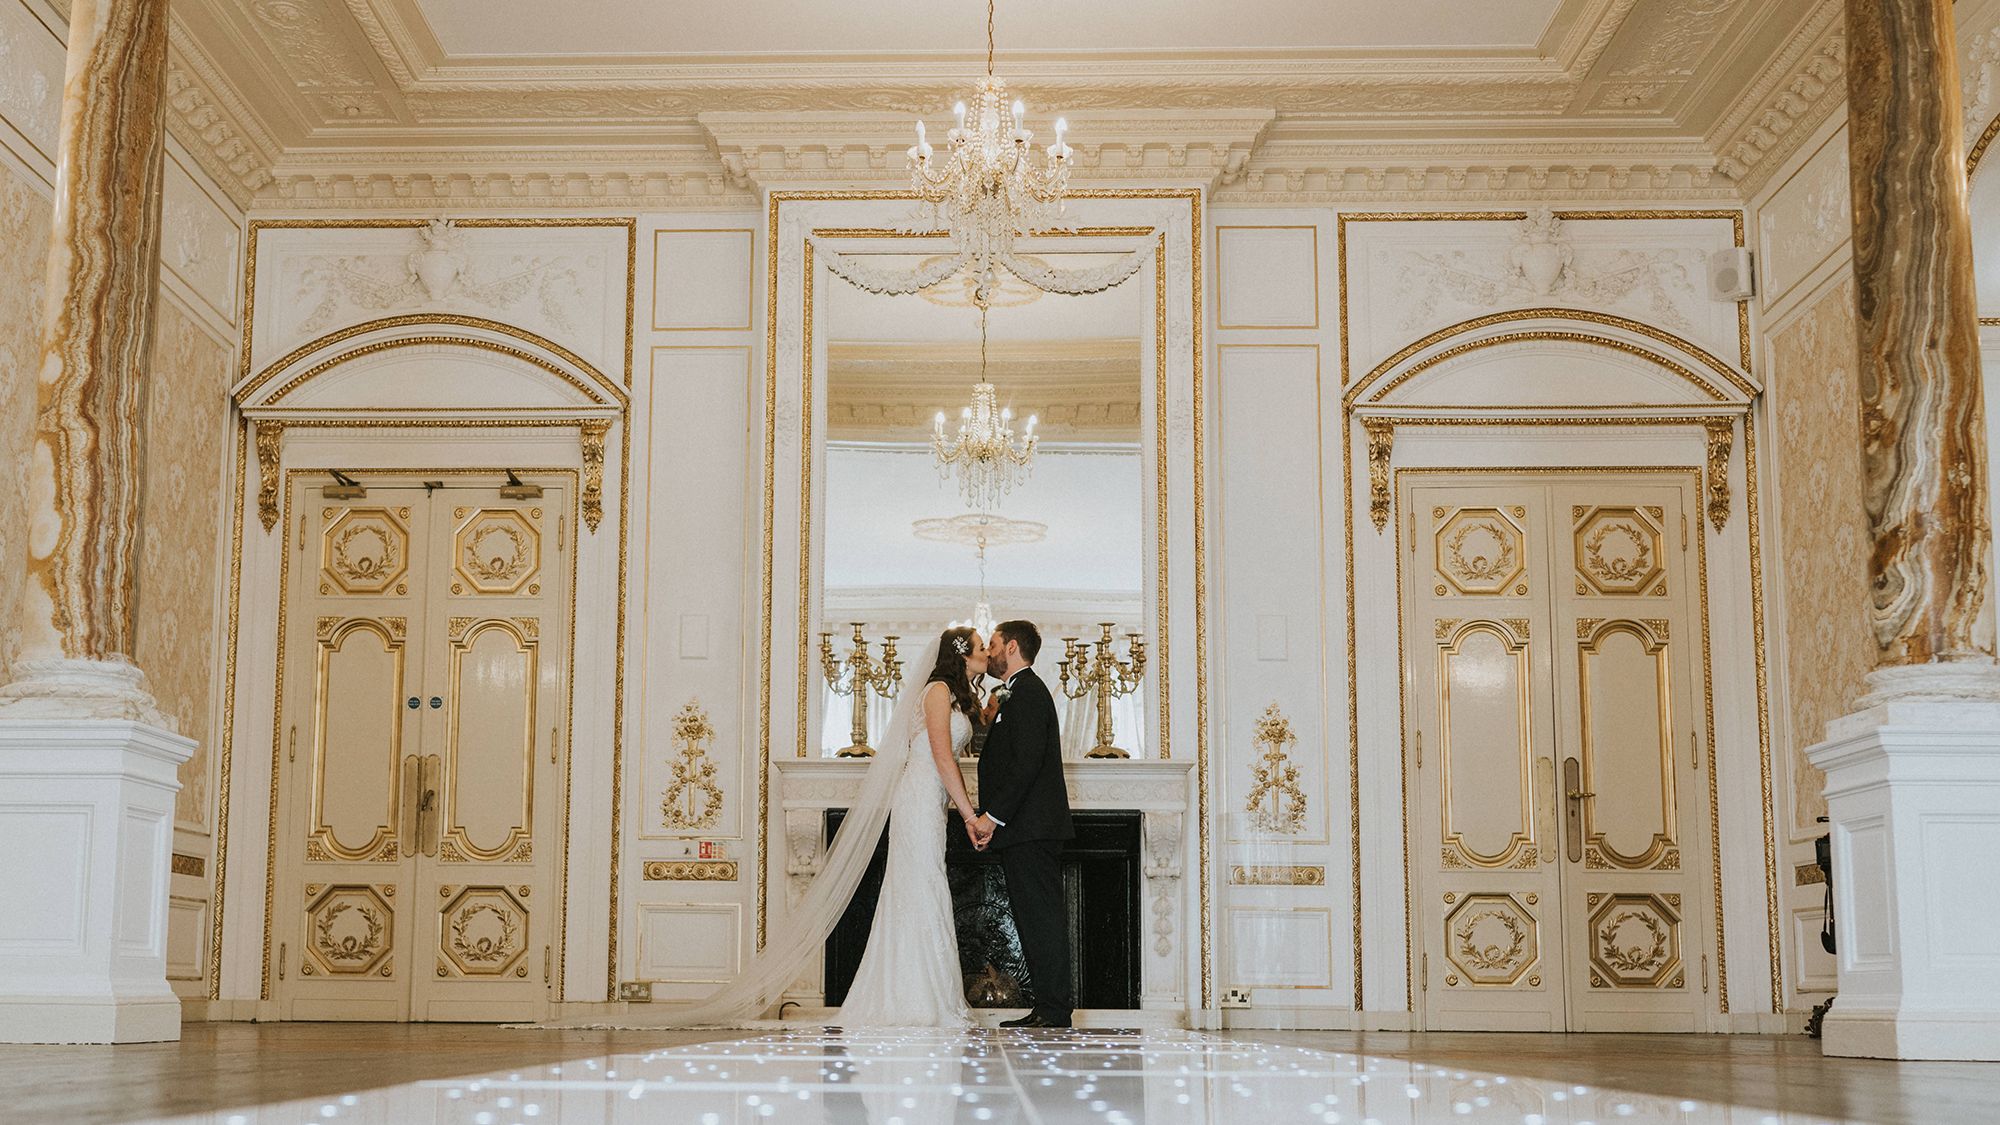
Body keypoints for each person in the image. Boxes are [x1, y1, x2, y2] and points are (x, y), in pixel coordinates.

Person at [969, 619, 1076, 1028]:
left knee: (1042, 919)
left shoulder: (1028, 692)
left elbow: (1026, 765)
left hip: (1032, 828)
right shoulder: (1015, 693)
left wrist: (991, 818)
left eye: (994, 644)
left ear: (1012, 647)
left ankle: (1055, 1010)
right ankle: (1047, 1008)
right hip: (1025, 828)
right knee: (1034, 920)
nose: (990, 651)